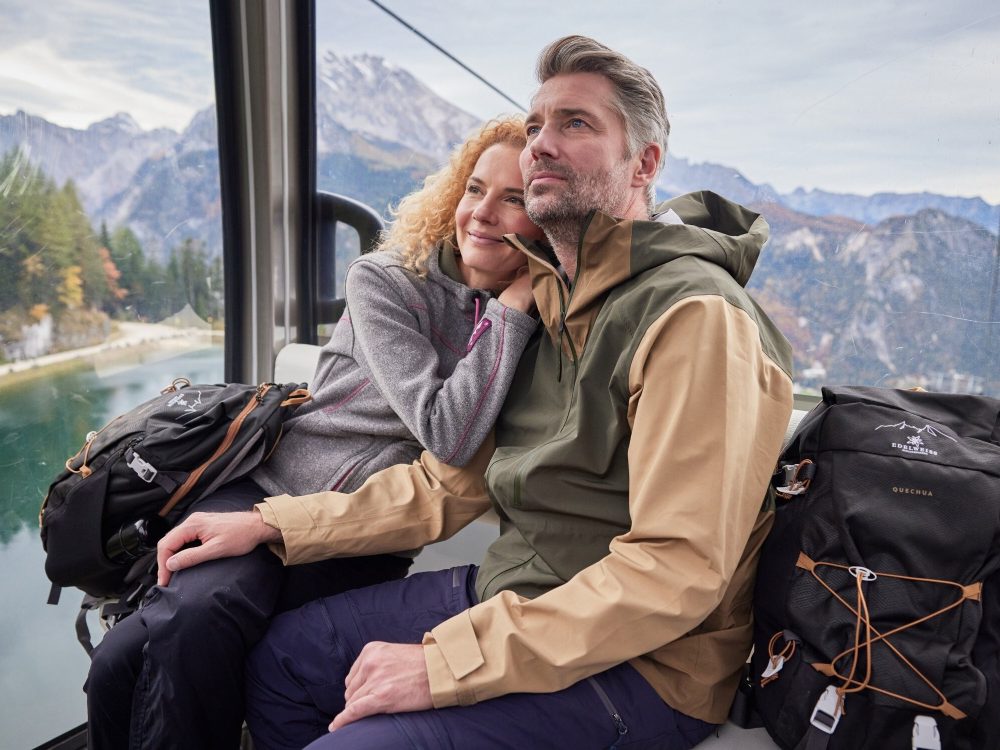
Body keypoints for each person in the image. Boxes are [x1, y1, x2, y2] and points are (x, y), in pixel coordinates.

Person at [160, 35, 795, 750]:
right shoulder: (551, 302)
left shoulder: (693, 318)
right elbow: (446, 487)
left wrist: (445, 665)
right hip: (522, 593)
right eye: (535, 127)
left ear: (643, 163)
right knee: (283, 663)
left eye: (575, 124)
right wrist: (274, 523)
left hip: (644, 665)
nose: (540, 147)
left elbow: (675, 572)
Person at [84, 116, 546, 750]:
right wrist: (511, 312)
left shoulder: (530, 325)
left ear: (545, 215)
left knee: (187, 635)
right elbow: (448, 428)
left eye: (514, 198)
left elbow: (452, 443)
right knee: (120, 665)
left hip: (357, 536)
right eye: (473, 189)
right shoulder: (388, 281)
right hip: (265, 488)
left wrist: (512, 313)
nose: (482, 213)